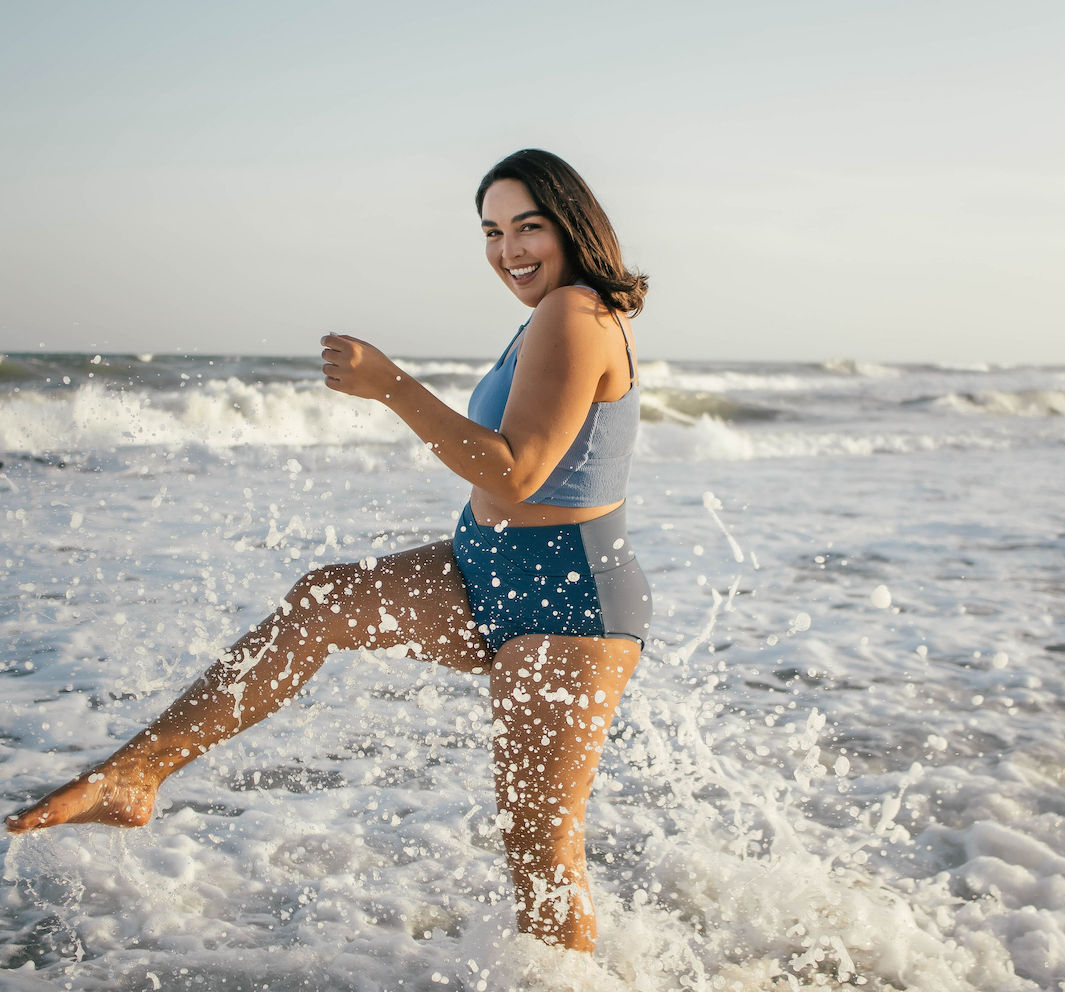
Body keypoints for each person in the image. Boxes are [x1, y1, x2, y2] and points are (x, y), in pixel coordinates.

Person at [6, 149, 652, 954]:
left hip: (568, 601)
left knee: (540, 844)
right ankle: (136, 774)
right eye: (491, 232)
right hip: (486, 570)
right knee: (322, 600)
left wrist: (391, 386)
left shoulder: (577, 314)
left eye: (528, 227)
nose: (508, 250)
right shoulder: (550, 314)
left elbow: (517, 473)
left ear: (571, 224)